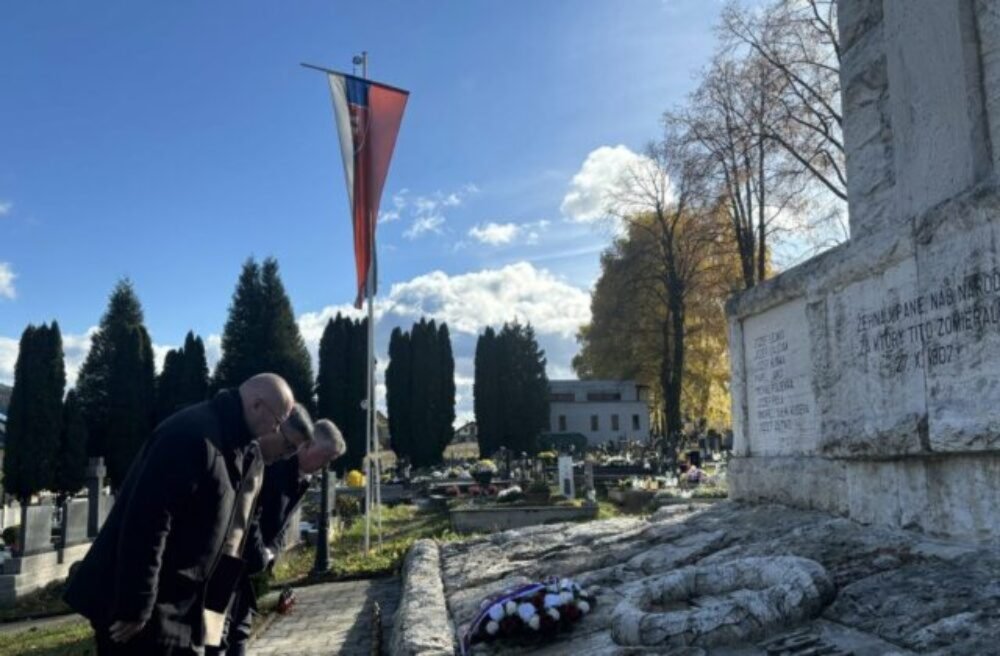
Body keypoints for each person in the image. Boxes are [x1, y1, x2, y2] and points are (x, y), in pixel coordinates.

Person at [64, 373, 313, 655]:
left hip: (184, 602)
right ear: (257, 405)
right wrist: (137, 605)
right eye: (278, 422)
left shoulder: (238, 444)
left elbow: (235, 521)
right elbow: (148, 521)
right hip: (146, 604)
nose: (274, 430)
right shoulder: (193, 435)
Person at [208, 419, 346, 656]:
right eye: (325, 456)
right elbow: (249, 514)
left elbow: (283, 524)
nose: (326, 465)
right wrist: (261, 554)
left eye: (331, 460)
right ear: (308, 445)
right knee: (216, 633)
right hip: (230, 559)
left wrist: (272, 552)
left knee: (239, 629)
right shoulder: (275, 467)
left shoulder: (302, 476)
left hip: (251, 564)